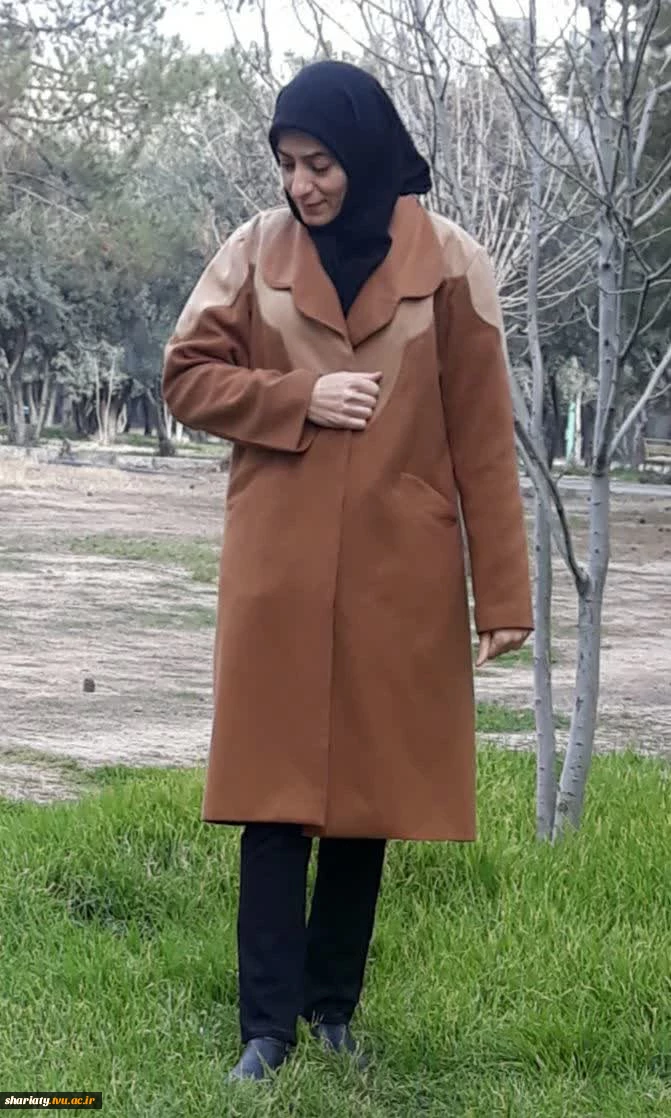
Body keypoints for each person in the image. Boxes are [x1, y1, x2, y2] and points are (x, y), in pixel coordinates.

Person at [162, 60, 533, 1084]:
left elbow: (482, 436)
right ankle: (264, 1031)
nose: (301, 185)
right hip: (278, 568)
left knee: (365, 798)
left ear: (363, 154)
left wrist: (502, 595)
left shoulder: (450, 261)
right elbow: (184, 376)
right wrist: (297, 396)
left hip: (397, 570)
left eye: (319, 163)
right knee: (273, 795)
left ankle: (331, 1012)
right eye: (287, 164)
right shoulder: (253, 252)